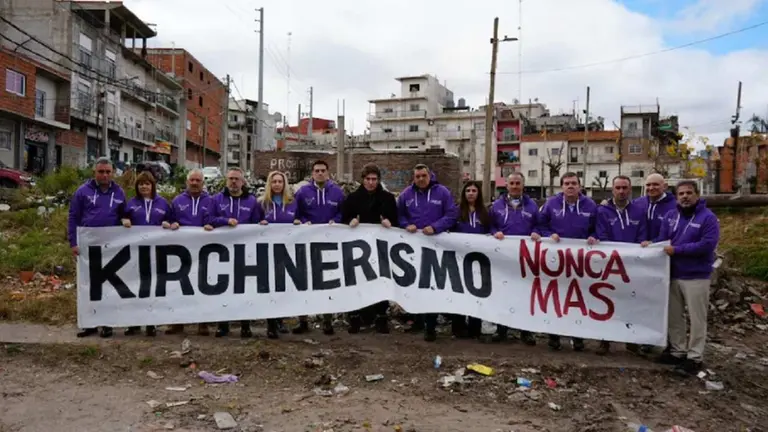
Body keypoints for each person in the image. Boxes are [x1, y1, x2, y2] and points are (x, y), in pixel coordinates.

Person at [654, 180, 719, 375]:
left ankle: (694, 356)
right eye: (681, 193)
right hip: (673, 274)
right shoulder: (670, 216)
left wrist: (677, 250)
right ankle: (677, 350)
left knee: (697, 318)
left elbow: (707, 245)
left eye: (689, 193)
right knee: (675, 316)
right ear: (676, 196)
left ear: (697, 195)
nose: (685, 196)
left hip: (696, 276)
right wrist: (650, 245)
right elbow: (662, 240)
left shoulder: (708, 218)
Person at [537, 172, 598, 351]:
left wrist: (593, 237)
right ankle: (554, 336)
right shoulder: (551, 204)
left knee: (578, 299)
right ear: (561, 187)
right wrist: (549, 235)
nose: (570, 186)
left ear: (579, 186)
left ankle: (577, 336)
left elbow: (598, 229)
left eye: (573, 183)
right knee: (556, 297)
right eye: (566, 183)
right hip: (556, 259)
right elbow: (540, 226)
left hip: (581, 261)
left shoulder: (591, 205)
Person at [397, 164, 458, 342]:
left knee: (432, 285)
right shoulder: (406, 195)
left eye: (424, 175)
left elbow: (452, 214)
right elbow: (399, 215)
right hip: (414, 247)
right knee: (415, 284)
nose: (421, 179)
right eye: (417, 176)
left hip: (437, 246)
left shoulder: (443, 193)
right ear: (413, 178)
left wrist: (436, 227)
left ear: (430, 175)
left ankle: (430, 326)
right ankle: (417, 320)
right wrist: (406, 225)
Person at [68, 157, 127, 339]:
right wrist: (73, 242)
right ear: (95, 172)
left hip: (111, 246)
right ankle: (89, 323)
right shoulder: (82, 192)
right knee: (88, 285)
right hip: (88, 246)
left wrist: (126, 220)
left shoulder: (119, 192)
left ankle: (107, 323)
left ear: (113, 173)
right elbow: (73, 217)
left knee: (108, 286)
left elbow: (124, 214)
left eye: (108, 172)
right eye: (101, 171)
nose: (104, 175)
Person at [594, 175, 651, 355]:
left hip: (632, 265)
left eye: (624, 188)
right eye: (618, 188)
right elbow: (601, 235)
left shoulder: (639, 211)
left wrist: (642, 247)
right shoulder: (602, 211)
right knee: (606, 302)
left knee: (630, 302)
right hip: (609, 264)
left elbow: (642, 235)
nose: (621, 191)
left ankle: (631, 339)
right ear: (612, 189)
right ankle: (605, 340)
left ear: (630, 188)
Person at [342, 163, 398, 334]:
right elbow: (343, 220)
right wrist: (350, 222)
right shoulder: (352, 198)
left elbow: (397, 222)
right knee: (357, 280)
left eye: (374, 179)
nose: (371, 182)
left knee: (381, 281)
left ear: (379, 180)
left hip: (381, 248)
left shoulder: (388, 198)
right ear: (363, 180)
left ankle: (381, 317)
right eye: (368, 179)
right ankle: (355, 317)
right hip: (358, 249)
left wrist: (390, 223)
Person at [292, 160, 344, 336]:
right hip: (307, 242)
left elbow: (343, 213)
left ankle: (327, 321)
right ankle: (303, 320)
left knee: (327, 281)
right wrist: (300, 221)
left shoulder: (337, 192)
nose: (320, 173)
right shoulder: (302, 192)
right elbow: (295, 213)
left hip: (330, 243)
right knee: (304, 281)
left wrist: (335, 221)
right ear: (312, 173)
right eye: (316, 171)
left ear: (328, 172)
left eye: (323, 170)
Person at [209, 168, 262, 339]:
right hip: (222, 251)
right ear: (226, 181)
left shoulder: (252, 201)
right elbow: (209, 219)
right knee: (223, 288)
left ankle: (245, 325)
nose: (233, 182)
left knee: (244, 288)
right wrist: (225, 221)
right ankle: (223, 324)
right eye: (230, 178)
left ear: (242, 182)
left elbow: (256, 223)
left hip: (245, 252)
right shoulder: (216, 199)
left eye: (236, 179)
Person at [120, 171, 175, 337]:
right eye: (141, 184)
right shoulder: (131, 203)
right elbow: (120, 219)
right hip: (136, 252)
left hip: (156, 252)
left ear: (153, 186)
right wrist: (123, 221)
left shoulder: (163, 203)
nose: (144, 186)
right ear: (137, 186)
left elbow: (173, 221)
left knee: (152, 288)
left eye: (147, 183)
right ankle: (134, 323)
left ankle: (151, 322)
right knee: (134, 287)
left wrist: (169, 224)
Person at [489, 173, 540, 345]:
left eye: (518, 183)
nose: (515, 186)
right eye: (512, 183)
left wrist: (537, 232)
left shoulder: (532, 206)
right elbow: (490, 225)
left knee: (524, 294)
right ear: (507, 185)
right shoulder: (496, 205)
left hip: (525, 258)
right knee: (503, 294)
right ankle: (501, 329)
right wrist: (495, 232)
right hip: (503, 257)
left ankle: (526, 331)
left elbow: (539, 225)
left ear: (523, 185)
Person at [166, 169, 214, 336]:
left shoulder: (211, 201)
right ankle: (178, 323)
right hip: (182, 251)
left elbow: (215, 219)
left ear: (203, 183)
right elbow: (169, 219)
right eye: (192, 180)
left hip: (203, 251)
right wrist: (172, 224)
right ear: (187, 182)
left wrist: (212, 225)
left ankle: (203, 323)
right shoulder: (178, 201)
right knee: (180, 287)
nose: (194, 183)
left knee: (202, 286)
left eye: (197, 180)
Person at [259, 170, 300, 339]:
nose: (277, 184)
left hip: (287, 252)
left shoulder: (292, 203)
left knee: (283, 286)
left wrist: (300, 222)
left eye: (280, 181)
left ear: (284, 184)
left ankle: (280, 320)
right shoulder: (261, 203)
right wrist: (259, 223)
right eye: (274, 181)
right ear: (270, 184)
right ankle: (270, 323)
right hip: (267, 252)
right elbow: (251, 224)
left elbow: (301, 219)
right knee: (270, 287)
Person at [451, 180, 490, 339]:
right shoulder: (456, 211)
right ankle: (458, 327)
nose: (471, 193)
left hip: (479, 260)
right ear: (463, 193)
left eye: (474, 190)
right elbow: (449, 230)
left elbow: (491, 230)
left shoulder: (485, 212)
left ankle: (475, 327)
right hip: (460, 259)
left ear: (478, 193)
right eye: (468, 191)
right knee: (459, 292)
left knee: (477, 294)